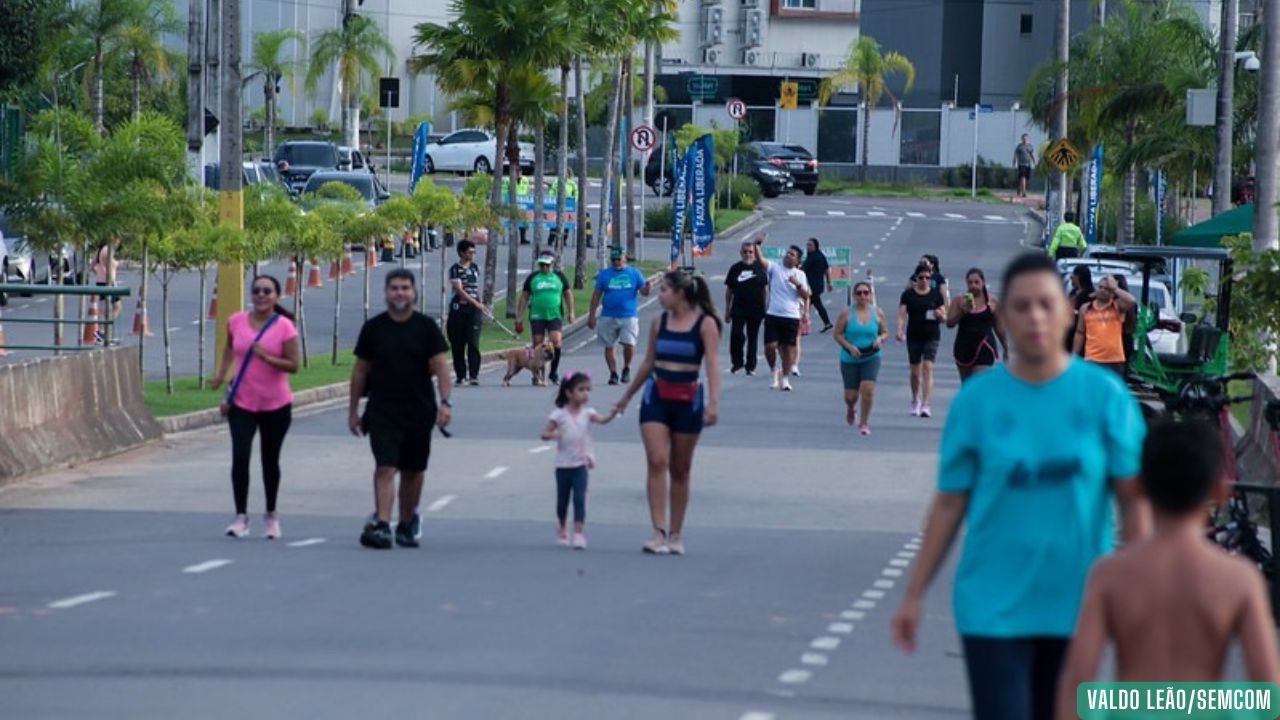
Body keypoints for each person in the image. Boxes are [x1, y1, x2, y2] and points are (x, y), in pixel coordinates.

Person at [890, 252, 1149, 720]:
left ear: (1067, 311)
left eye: (1046, 304)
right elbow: (949, 504)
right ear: (1003, 314)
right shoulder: (978, 402)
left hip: (1078, 607)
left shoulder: (1105, 399)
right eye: (1022, 306)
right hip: (992, 607)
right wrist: (913, 593)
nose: (1035, 317)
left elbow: (1134, 503)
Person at [1054, 418, 1280, 720]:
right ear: (1219, 489)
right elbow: (1268, 691)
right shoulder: (1238, 579)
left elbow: (1078, 680)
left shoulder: (1109, 574)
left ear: (1139, 485)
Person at [614, 270, 721, 556]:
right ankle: (657, 531)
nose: (658, 295)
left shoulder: (705, 324)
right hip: (656, 397)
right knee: (657, 460)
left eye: (663, 290)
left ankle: (675, 533)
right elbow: (648, 362)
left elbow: (711, 366)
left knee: (680, 468)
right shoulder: (658, 322)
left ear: (680, 293)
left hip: (688, 399)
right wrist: (626, 397)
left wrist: (713, 403)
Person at [348, 269, 452, 550]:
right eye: (394, 288)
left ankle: (406, 522)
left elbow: (441, 366)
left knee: (413, 470)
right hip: (382, 409)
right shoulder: (374, 328)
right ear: (386, 293)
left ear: (413, 292)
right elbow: (360, 370)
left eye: (405, 288)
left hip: (419, 410)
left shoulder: (426, 327)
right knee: (385, 466)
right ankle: (382, 524)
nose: (399, 293)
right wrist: (353, 410)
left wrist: (445, 402)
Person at [211, 275, 300, 540]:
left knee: (269, 460)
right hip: (242, 402)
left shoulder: (284, 327)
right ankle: (241, 517)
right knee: (240, 456)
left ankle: (271, 515)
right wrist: (221, 374)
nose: (261, 295)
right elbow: (230, 348)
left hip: (276, 404)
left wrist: (267, 357)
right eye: (257, 291)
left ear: (276, 296)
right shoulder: (236, 321)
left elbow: (294, 365)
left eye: (267, 291)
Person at [540, 372, 618, 550]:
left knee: (579, 499)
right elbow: (544, 434)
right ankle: (561, 526)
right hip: (562, 465)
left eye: (587, 390)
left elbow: (603, 420)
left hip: (581, 464)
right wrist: (554, 435)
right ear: (569, 393)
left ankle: (578, 533)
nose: (585, 394)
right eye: (581, 390)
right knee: (562, 501)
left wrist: (613, 413)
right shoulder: (558, 415)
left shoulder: (588, 413)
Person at [587, 246, 651, 385]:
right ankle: (613, 373)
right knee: (609, 345)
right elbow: (596, 296)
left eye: (619, 259)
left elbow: (644, 292)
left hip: (628, 315)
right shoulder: (604, 274)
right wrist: (591, 315)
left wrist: (647, 288)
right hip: (608, 315)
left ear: (624, 258)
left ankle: (626, 368)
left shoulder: (634, 273)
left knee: (629, 344)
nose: (616, 262)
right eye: (613, 260)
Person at [833, 281, 887, 435]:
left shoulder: (877, 313)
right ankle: (850, 408)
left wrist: (880, 339)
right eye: (859, 293)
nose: (862, 296)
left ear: (870, 295)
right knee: (851, 396)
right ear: (854, 296)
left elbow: (884, 331)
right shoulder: (846, 313)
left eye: (865, 293)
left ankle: (864, 422)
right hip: (850, 357)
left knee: (868, 389)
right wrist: (849, 346)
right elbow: (837, 334)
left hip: (871, 356)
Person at [756, 238, 810, 392]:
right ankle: (773, 368)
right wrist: (757, 244)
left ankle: (785, 378)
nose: (788, 256)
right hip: (773, 313)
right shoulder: (775, 267)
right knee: (770, 346)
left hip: (791, 316)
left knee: (788, 349)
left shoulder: (799, 275)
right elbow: (761, 260)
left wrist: (796, 283)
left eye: (792, 255)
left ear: (797, 260)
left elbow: (806, 295)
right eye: (788, 253)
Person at [896, 263, 946, 417]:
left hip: (932, 334)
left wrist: (940, 315)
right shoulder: (908, 295)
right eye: (921, 277)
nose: (924, 280)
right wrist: (899, 330)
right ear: (916, 279)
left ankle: (926, 404)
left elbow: (944, 316)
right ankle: (914, 400)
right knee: (915, 371)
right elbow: (902, 315)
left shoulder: (936, 295)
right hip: (914, 335)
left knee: (928, 367)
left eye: (927, 278)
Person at [517, 251, 574, 384]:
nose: (544, 268)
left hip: (554, 314)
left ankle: (553, 372)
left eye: (547, 265)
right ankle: (536, 373)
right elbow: (524, 296)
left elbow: (568, 294)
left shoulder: (559, 277)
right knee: (538, 343)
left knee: (556, 341)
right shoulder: (533, 277)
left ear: (552, 264)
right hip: (537, 314)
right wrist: (519, 316)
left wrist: (571, 312)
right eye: (542, 265)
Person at [946, 268, 1009, 382]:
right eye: (970, 283)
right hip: (963, 348)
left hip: (984, 347)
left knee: (978, 383)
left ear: (983, 283)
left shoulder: (992, 302)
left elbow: (999, 327)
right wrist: (962, 312)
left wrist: (1005, 347)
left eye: (976, 282)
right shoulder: (959, 301)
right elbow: (949, 323)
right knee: (967, 387)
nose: (973, 285)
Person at [1073, 274, 1135, 377]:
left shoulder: (1117, 306)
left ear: (1112, 292)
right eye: (1100, 287)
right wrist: (1074, 356)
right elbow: (1080, 332)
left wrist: (1115, 288)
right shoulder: (1086, 308)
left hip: (1114, 360)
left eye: (1106, 289)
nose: (1102, 290)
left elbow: (1131, 301)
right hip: (1092, 359)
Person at [724, 241, 768, 375]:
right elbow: (729, 290)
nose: (748, 254)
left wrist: (765, 307)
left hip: (756, 308)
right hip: (738, 308)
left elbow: (764, 289)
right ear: (741, 252)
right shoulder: (735, 268)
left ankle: (750, 366)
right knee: (737, 335)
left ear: (754, 253)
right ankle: (737, 362)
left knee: (752, 337)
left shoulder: (759, 268)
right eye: (745, 252)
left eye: (750, 252)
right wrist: (727, 308)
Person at [446, 239, 486, 386]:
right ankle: (461, 375)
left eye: (474, 251)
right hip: (459, 309)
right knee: (458, 343)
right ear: (462, 253)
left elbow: (476, 288)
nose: (473, 254)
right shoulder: (455, 269)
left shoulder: (475, 267)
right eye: (470, 252)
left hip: (473, 311)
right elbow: (459, 290)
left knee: (473, 342)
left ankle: (474, 375)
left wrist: (480, 302)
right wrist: (474, 302)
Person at [802, 238, 834, 334]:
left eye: (810, 245)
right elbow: (827, 269)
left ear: (815, 246)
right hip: (816, 285)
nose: (808, 247)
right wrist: (828, 283)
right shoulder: (815, 255)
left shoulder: (815, 257)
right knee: (817, 305)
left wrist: (829, 282)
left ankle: (803, 327)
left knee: (804, 306)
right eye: (807, 245)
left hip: (813, 286)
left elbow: (826, 269)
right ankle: (827, 323)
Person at [1066, 265, 1095, 353]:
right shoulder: (1073, 292)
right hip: (1069, 334)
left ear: (1078, 276)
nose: (1071, 278)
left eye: (1073, 276)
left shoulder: (1090, 295)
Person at [1013, 133, 1036, 198]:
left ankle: (1019, 188)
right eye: (1023, 138)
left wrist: (1034, 162)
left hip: (1028, 164)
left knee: (1026, 178)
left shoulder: (1030, 146)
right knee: (1023, 177)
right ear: (1021, 139)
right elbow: (1015, 155)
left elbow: (1032, 154)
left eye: (1026, 138)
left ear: (1028, 139)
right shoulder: (1019, 146)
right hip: (1021, 164)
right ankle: (1024, 193)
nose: (1025, 139)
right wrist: (1014, 163)